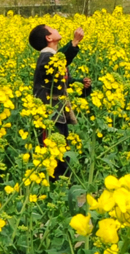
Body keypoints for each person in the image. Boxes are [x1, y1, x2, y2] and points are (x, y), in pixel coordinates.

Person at [29, 24, 91, 178]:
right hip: (48, 113)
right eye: (51, 28)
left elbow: (64, 82)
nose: (57, 28)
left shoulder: (55, 58)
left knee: (61, 149)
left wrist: (81, 84)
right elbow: (57, 62)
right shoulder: (46, 57)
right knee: (50, 151)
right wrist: (74, 43)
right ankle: (51, 184)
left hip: (58, 112)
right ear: (48, 38)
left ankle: (62, 184)